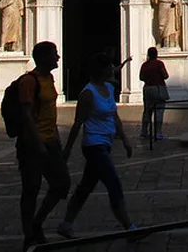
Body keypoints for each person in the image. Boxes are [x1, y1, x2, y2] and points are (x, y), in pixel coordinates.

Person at [58, 52, 136, 239]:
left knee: (85, 187)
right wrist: (67, 151)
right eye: (109, 66)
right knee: (113, 183)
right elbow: (78, 123)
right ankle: (129, 228)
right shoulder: (87, 93)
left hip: (106, 143)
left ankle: (66, 224)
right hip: (94, 145)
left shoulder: (108, 88)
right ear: (101, 70)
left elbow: (114, 116)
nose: (113, 69)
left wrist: (124, 139)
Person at [14, 41, 70, 250]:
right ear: (44, 57)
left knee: (62, 184)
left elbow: (49, 112)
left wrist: (56, 138)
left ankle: (37, 222)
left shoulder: (50, 79)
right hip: (32, 144)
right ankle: (29, 234)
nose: (58, 57)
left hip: (50, 142)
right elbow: (26, 114)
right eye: (54, 54)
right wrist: (38, 142)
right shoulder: (29, 82)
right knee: (31, 189)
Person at [138, 46, 170, 142]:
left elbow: (141, 77)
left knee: (147, 111)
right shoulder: (159, 64)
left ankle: (144, 132)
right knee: (159, 110)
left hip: (147, 88)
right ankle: (158, 132)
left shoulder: (144, 65)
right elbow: (166, 75)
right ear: (156, 54)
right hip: (157, 88)